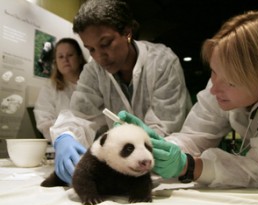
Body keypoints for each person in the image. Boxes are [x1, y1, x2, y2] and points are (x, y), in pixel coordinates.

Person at [118, 10, 258, 192]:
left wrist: (189, 166)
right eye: (213, 72)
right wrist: (158, 147)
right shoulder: (222, 82)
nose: (213, 89)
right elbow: (195, 136)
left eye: (231, 82)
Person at [50, 0, 192, 185]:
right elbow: (79, 115)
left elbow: (164, 128)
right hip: (122, 167)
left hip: (166, 171)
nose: (99, 56)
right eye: (91, 49)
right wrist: (65, 137)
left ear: (127, 32)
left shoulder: (162, 62)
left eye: (106, 44)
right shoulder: (94, 71)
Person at [34, 38, 87, 141]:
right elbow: (44, 122)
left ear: (80, 58)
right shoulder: (50, 88)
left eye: (70, 55)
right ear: (56, 62)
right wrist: (66, 136)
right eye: (61, 56)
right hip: (63, 142)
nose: (65, 60)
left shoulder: (93, 84)